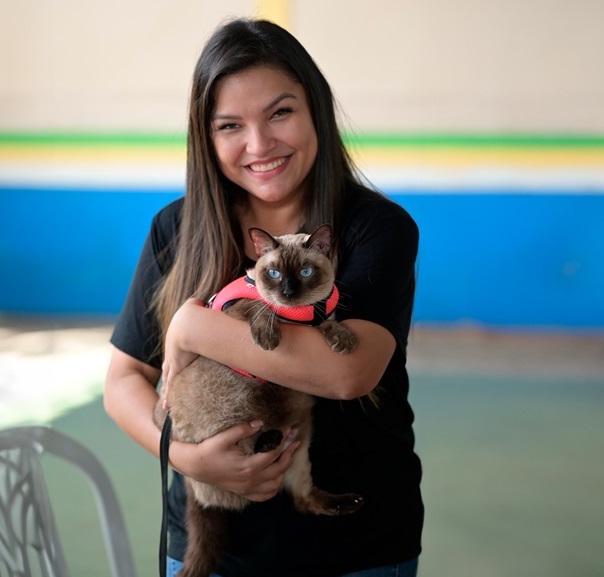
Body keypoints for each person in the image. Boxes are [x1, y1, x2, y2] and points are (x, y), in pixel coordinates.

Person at [104, 17, 423, 577]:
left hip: (355, 549)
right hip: (211, 546)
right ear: (206, 137)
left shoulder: (377, 228)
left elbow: (349, 373)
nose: (259, 144)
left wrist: (195, 328)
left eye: (280, 112)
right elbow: (123, 380)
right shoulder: (176, 230)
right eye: (230, 125)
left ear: (315, 110)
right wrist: (186, 457)